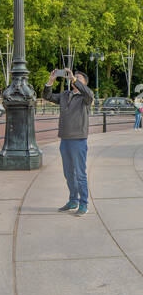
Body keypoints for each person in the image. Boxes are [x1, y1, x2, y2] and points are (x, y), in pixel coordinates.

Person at [55, 65, 93, 214]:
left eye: (79, 78)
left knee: (80, 173)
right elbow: (48, 96)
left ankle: (84, 203)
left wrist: (74, 78)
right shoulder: (65, 95)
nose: (74, 78)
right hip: (64, 139)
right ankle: (73, 201)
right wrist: (50, 82)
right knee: (68, 173)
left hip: (78, 139)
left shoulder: (85, 98)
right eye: (73, 77)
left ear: (83, 83)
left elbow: (88, 92)